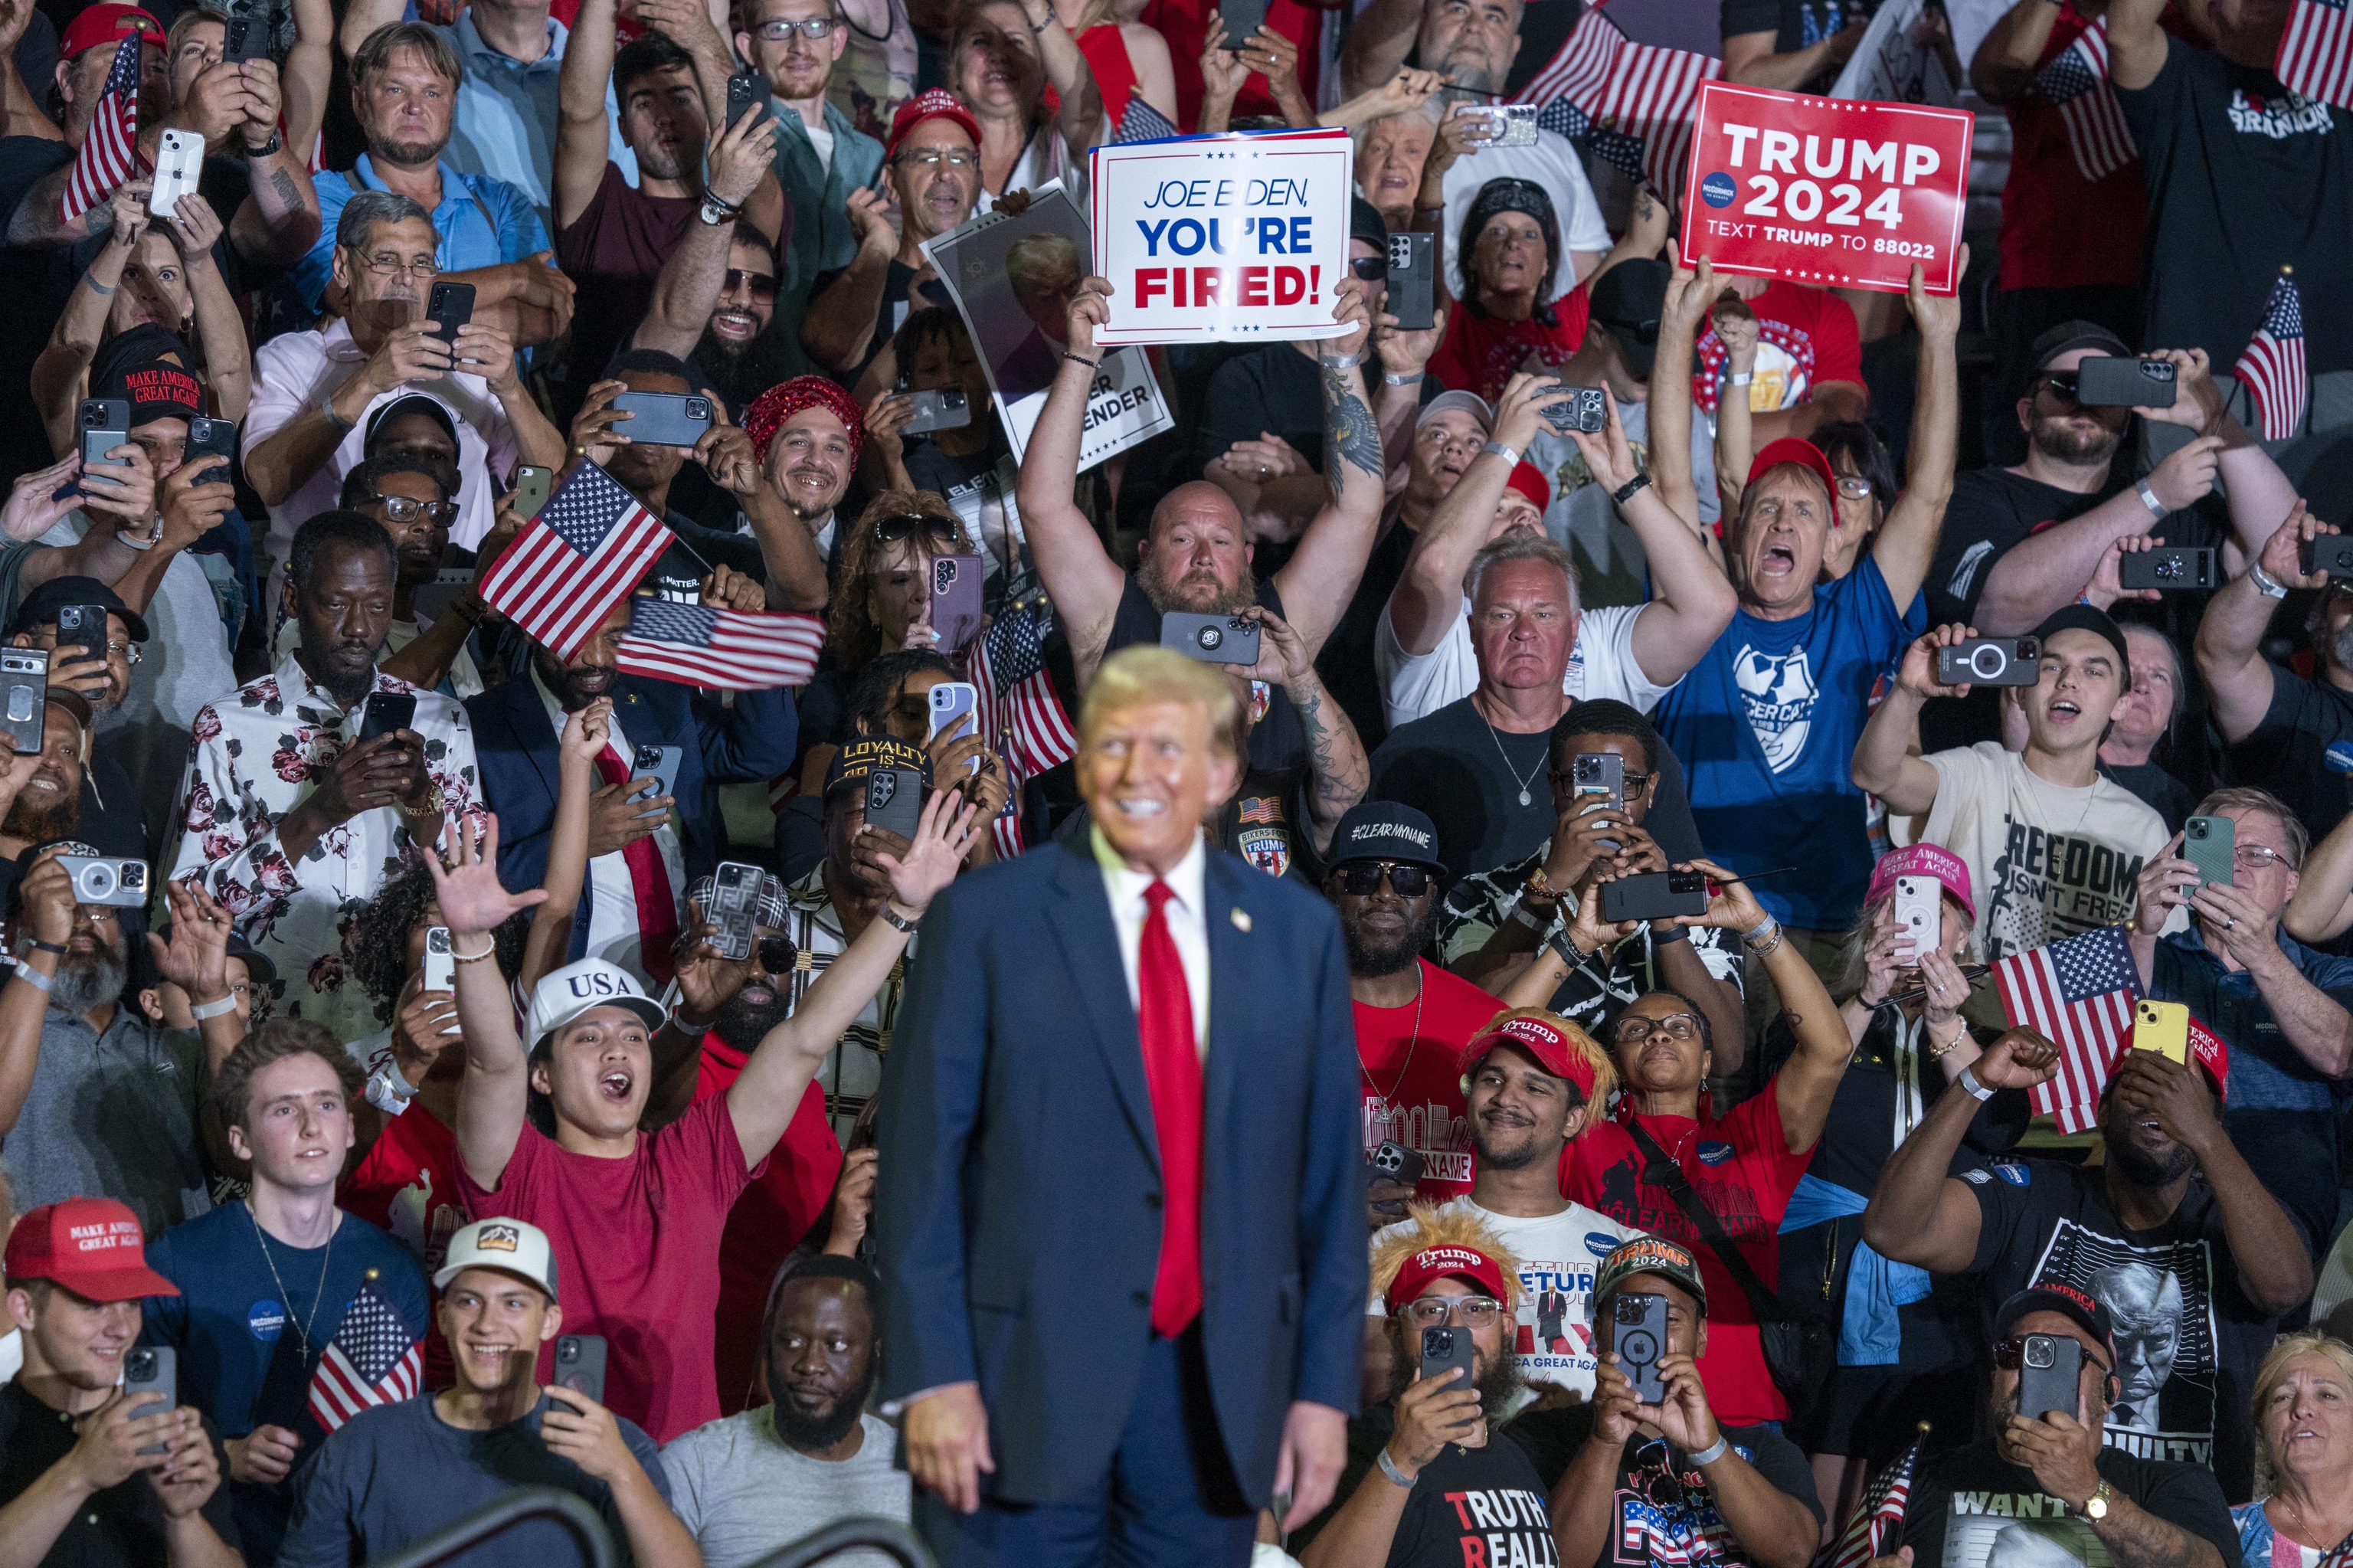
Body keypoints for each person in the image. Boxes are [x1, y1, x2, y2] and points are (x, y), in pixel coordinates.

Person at [876, 645, 1366, 1560]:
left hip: (1218, 1399)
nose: (1139, 774)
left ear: (1222, 772)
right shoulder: (985, 920)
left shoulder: (1296, 934)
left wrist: (1320, 1392)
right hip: (1012, 1391)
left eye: (1168, 748)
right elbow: (919, 1172)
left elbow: (1330, 1188)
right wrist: (933, 1375)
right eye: (1114, 746)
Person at [436, 785, 974, 1442]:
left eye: (633, 1035)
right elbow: (494, 1064)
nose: (619, 1048)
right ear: (542, 1075)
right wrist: (470, 942)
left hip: (676, 1486)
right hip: (544, 1488)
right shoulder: (518, 1173)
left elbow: (804, 1041)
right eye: (589, 1036)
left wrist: (903, 913)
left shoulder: (694, 1160)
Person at [1650, 256, 1958, 959]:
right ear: (1736, 528)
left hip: (1825, 923)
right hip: (1701, 925)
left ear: (1829, 542)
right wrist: (1677, 323)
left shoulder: (1855, 619)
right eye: (1767, 509)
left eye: (1805, 511)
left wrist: (1938, 340)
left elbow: (1929, 495)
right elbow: (1673, 478)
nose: (1784, 523)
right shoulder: (1698, 618)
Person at [1864, 1026, 2313, 1498]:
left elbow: (2284, 1289)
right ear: (2101, 1111)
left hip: (2182, 1525)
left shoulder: (2242, 1221)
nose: (2159, 1105)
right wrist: (1975, 1083)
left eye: (2182, 1093)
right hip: (2021, 1511)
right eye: (2141, 1086)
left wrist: (2206, 1135)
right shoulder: (2036, 1193)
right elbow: (1892, 1229)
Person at [1016, 273, 1385, 777]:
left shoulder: (1280, 630)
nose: (1204, 557)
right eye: (1183, 539)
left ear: (1249, 557)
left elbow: (1358, 511)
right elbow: (1043, 505)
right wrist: (1082, 357)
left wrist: (1341, 360)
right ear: (1144, 553)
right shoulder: (1113, 621)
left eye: (1222, 540)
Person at [1769, 843, 2027, 1510]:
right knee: (1820, 1490)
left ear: (1964, 933)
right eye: (1893, 906)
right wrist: (1866, 997)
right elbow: (1785, 1107)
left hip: (1939, 1298)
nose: (1910, 923)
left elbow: (1999, 1129)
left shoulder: (1990, 1033)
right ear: (1869, 925)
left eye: (1932, 910)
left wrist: (1945, 1024)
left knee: (1923, 1482)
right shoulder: (1817, 1014)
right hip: (1823, 1290)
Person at [1563, 863, 1860, 1433]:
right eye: (1636, 1030)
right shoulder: (1582, 1139)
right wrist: (1580, 939)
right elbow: (1490, 1038)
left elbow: (1828, 1049)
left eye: (1680, 1026)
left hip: (1741, 1410)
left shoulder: (1749, 1140)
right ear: (1614, 1063)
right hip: (1614, 1408)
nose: (1659, 1034)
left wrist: (1756, 925)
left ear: (1706, 1062)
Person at [172, 511, 480, 1039]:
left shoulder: (440, 720)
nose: (360, 628)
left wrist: (422, 798)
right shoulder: (227, 724)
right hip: (272, 1029)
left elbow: (468, 887)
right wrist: (318, 813)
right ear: (293, 599)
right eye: (336, 603)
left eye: (378, 606)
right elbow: (194, 911)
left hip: (403, 1027)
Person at [139, 1020, 430, 1563]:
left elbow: (398, 1444)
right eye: (283, 1109)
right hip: (217, 1539)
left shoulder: (393, 1269)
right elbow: (134, 1421)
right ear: (240, 1140)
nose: (310, 1126)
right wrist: (224, 1454)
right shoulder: (175, 1261)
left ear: (349, 1127)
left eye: (325, 1105)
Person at [276, 1216, 698, 1568]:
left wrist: (623, 1473)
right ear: (442, 1317)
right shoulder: (365, 1443)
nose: (487, 1325)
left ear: (549, 1322)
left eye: (514, 1304)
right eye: (469, 1302)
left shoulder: (611, 1447)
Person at [466, 564, 800, 980]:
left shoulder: (657, 697)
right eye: (575, 638)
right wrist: (574, 843)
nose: (598, 659)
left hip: (688, 970)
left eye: (615, 637)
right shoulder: (479, 728)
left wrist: (749, 636)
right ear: (535, 628)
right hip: (563, 979)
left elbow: (762, 754)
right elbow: (458, 881)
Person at [1370, 522, 1720, 881]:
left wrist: (1653, 880)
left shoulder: (1630, 749)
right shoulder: (1413, 752)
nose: (1523, 632)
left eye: (1544, 614)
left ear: (1573, 630)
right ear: (1474, 630)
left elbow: (1683, 890)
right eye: (1503, 614)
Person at [245, 191, 563, 561]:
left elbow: (552, 481)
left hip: (450, 602)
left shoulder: (469, 367)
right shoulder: (292, 359)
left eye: (422, 263)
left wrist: (511, 390)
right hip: (327, 596)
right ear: (342, 266)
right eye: (386, 261)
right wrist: (368, 382)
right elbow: (267, 482)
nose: (406, 279)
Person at [1855, 607, 2168, 961]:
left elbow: (2161, 954)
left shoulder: (2143, 827)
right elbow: (1875, 775)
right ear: (2020, 691)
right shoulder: (1979, 773)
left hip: (2082, 1016)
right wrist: (1909, 692)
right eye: (2051, 666)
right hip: (1966, 1011)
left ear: (2121, 703)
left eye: (2093, 671)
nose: (2068, 680)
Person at [2107, 0, 2351, 449]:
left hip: (2337, 361)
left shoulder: (2337, 74)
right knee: (2191, 515)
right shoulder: (2182, 77)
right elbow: (2125, 33)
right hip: (2198, 366)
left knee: (2329, 514)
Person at [1440, 699, 1742, 1054]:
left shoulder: (1697, 900)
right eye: (1585, 781)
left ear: (1653, 788)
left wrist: (1664, 912)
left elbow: (1726, 1056)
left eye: (1627, 782)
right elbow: (1467, 1036)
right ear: (1555, 787)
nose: (1607, 800)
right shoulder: (1478, 896)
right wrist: (1544, 889)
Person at [2128, 787, 2353, 1260]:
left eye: (2256, 855)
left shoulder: (2327, 973)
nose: (2234, 868)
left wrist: (2261, 956)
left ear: (2292, 884)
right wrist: (2142, 930)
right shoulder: (2153, 956)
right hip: (2152, 1209)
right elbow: (2096, 1042)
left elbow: (2341, 1053)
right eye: (2218, 852)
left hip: (2282, 1213)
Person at [1367, 1012, 1641, 1399]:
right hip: (1449, 1456)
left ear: (1573, 1119)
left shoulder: (1628, 1253)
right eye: (1493, 1079)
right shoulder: (1396, 1245)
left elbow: (1649, 1398)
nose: (1506, 1098)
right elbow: (1368, 1386)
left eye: (1536, 1088)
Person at [1891, 1284, 2241, 1568]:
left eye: (2063, 1356)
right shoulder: (1920, 1481)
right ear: (1993, 1377)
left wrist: (2089, 1492)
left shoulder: (2171, 1483)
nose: (2032, 1372)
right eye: (2016, 1353)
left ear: (2110, 1393)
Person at [552, 0, 784, 426]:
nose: (664, 118)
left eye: (680, 99)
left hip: (722, 449)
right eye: (644, 104)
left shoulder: (746, 210)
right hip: (613, 447)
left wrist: (700, 37)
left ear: (708, 113)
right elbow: (578, 112)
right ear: (622, 126)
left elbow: (746, 132)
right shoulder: (602, 205)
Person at [1536, 1236, 1824, 1568]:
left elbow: (1794, 1554)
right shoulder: (1546, 1434)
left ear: (1701, 1337)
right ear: (1598, 1333)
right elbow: (1550, 1562)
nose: (1649, 1339)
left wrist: (1710, 1448)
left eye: (1668, 1319)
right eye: (1630, 1317)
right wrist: (1605, 1442)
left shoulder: (1764, 1449)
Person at [0, 843, 238, 1233]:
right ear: (11, 935)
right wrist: (45, 945)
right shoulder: (10, 1046)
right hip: (48, 1290)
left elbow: (244, 1153)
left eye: (100, 906)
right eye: (60, 905)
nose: (81, 921)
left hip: (168, 1288)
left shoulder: (178, 1049)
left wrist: (211, 993)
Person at [1291, 1214, 1553, 1568]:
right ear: (1395, 1331)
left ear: (1506, 1329)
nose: (1455, 1327)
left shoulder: (1515, 1457)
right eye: (1431, 1310)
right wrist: (1401, 1460)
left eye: (1476, 1309)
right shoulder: (1350, 1447)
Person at [295, 22, 576, 343]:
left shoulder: (500, 202)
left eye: (432, 92)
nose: (415, 107)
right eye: (395, 89)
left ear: (452, 105)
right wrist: (516, 279)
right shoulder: (320, 198)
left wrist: (404, 313)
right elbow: (357, 302)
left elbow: (547, 320)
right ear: (359, 102)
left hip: (488, 395)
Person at [0, 1196, 240, 1568]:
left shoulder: (177, 1436)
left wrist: (182, 1518)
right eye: (93, 1305)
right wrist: (79, 1474)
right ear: (26, 1309)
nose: (122, 1329)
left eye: (132, 1303)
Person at [1337, 0, 1608, 294]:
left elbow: (1584, 280)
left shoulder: (1555, 150)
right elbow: (1367, 58)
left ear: (1515, 46)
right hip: (1421, 330)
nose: (1474, 26)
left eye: (1494, 16)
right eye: (1457, 9)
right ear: (1422, 22)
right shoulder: (1382, 107)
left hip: (1539, 338)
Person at [661, 1254, 912, 1568]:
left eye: (836, 1346)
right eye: (791, 1342)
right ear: (769, 1341)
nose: (810, 1365)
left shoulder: (917, 1472)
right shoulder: (695, 1466)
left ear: (876, 1353)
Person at [1324, 800, 1504, 1216]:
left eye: (1408, 879)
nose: (1385, 894)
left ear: (1432, 897)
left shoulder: (1488, 1025)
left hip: (1462, 1270)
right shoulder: (1274, 1013)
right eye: (1363, 876)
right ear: (1329, 889)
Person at [1531, 247, 1726, 610]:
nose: (1655, 373)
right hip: (1559, 625)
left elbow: (1701, 533)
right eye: (1640, 359)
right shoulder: (1534, 409)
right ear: (1597, 334)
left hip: (1651, 628)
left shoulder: (1687, 418)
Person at [337, 0, 638, 225]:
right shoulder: (429, 59)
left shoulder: (610, 74)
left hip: (610, 289)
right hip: (474, 279)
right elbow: (362, 44)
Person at [2198, 506, 2353, 843]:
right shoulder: (2298, 710)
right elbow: (2220, 658)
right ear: (2322, 620)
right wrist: (2267, 578)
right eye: (2348, 592)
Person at [803, 88, 980, 379]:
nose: (946, 173)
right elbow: (830, 349)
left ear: (978, 181)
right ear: (891, 181)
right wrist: (879, 246)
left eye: (960, 159)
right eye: (927, 158)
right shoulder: (850, 283)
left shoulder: (1003, 279)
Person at [735, 0, 887, 324]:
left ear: (837, 42)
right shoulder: (731, 141)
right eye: (778, 29)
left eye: (815, 27)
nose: (799, 46)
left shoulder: (871, 156)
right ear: (749, 49)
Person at [5, 580, 156, 859]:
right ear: (26, 647)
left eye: (118, 647)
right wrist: (32, 696)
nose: (106, 660)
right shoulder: (7, 753)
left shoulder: (115, 777)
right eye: (85, 640)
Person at [1425, 178, 1591, 405]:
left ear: (1546, 264)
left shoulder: (1568, 321)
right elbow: (1423, 266)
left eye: (1529, 234)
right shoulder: (1452, 324)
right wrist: (1435, 173)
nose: (1513, 242)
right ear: (1471, 257)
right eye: (1497, 231)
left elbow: (1642, 242)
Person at [332, 453, 484, 699]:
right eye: (401, 509)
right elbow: (359, 707)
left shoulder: (437, 632)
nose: (427, 525)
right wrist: (476, 595)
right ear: (353, 518)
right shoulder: (318, 626)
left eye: (437, 512)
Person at [946, 0, 1101, 211]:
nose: (998, 55)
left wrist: (1037, 7)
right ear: (956, 67)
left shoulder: (1060, 149)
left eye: (1016, 42)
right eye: (981, 41)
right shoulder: (928, 155)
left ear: (1043, 71)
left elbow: (1086, 109)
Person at [1687, 276, 1867, 448]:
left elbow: (1842, 417)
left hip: (1794, 477)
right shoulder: (1681, 303)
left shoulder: (1825, 309)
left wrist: (1702, 429)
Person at [2231, 1334, 2353, 1568]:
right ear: (2263, 1429)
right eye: (2283, 1398)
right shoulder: (2224, 1534)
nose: (2302, 1409)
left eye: (2327, 1395)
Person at [2096, 623, 2200, 833]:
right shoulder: (2050, 774)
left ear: (2171, 714)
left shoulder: (2186, 809)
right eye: (2127, 670)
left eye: (2159, 676)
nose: (2142, 685)